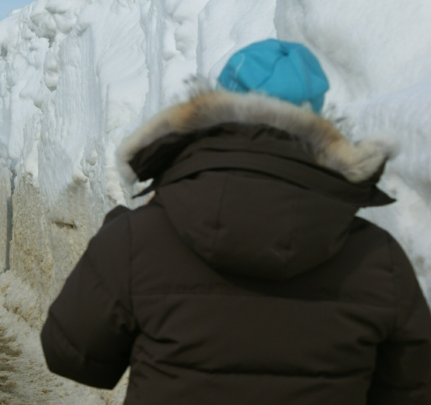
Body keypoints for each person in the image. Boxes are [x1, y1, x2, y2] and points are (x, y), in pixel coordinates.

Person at [40, 39, 431, 404]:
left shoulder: (139, 237)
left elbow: (70, 354)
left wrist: (122, 234)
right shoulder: (377, 257)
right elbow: (412, 388)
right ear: (318, 123)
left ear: (213, 111)